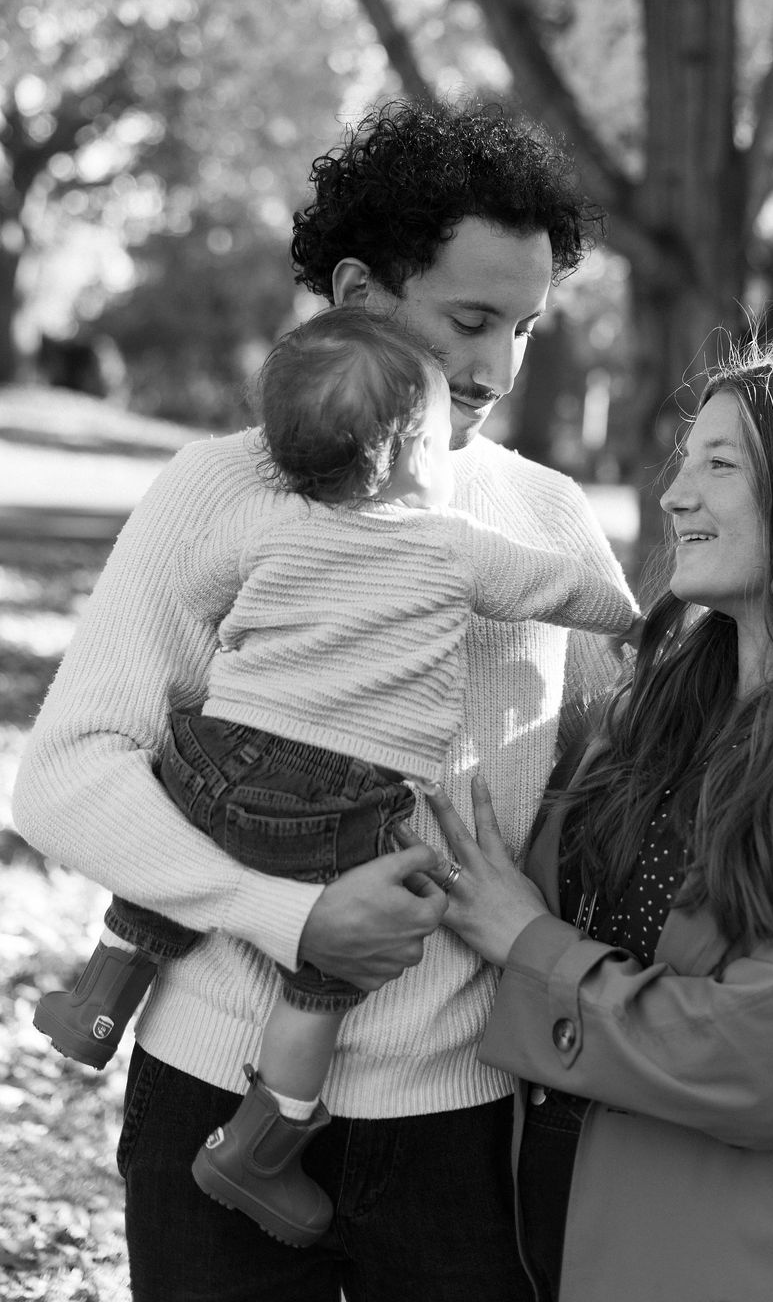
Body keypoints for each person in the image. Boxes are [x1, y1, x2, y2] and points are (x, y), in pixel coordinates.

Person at [12, 98, 634, 1302]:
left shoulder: (547, 525)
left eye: (526, 327)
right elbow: (70, 770)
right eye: (470, 319)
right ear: (358, 291)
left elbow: (619, 790)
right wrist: (287, 919)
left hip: (466, 1115)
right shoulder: (220, 490)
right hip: (207, 1091)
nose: (497, 367)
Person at [410, 341, 773, 1302]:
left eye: (720, 465)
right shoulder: (650, 712)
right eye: (685, 460)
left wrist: (532, 947)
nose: (675, 494)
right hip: (515, 1223)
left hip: (715, 1256)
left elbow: (766, 1063)